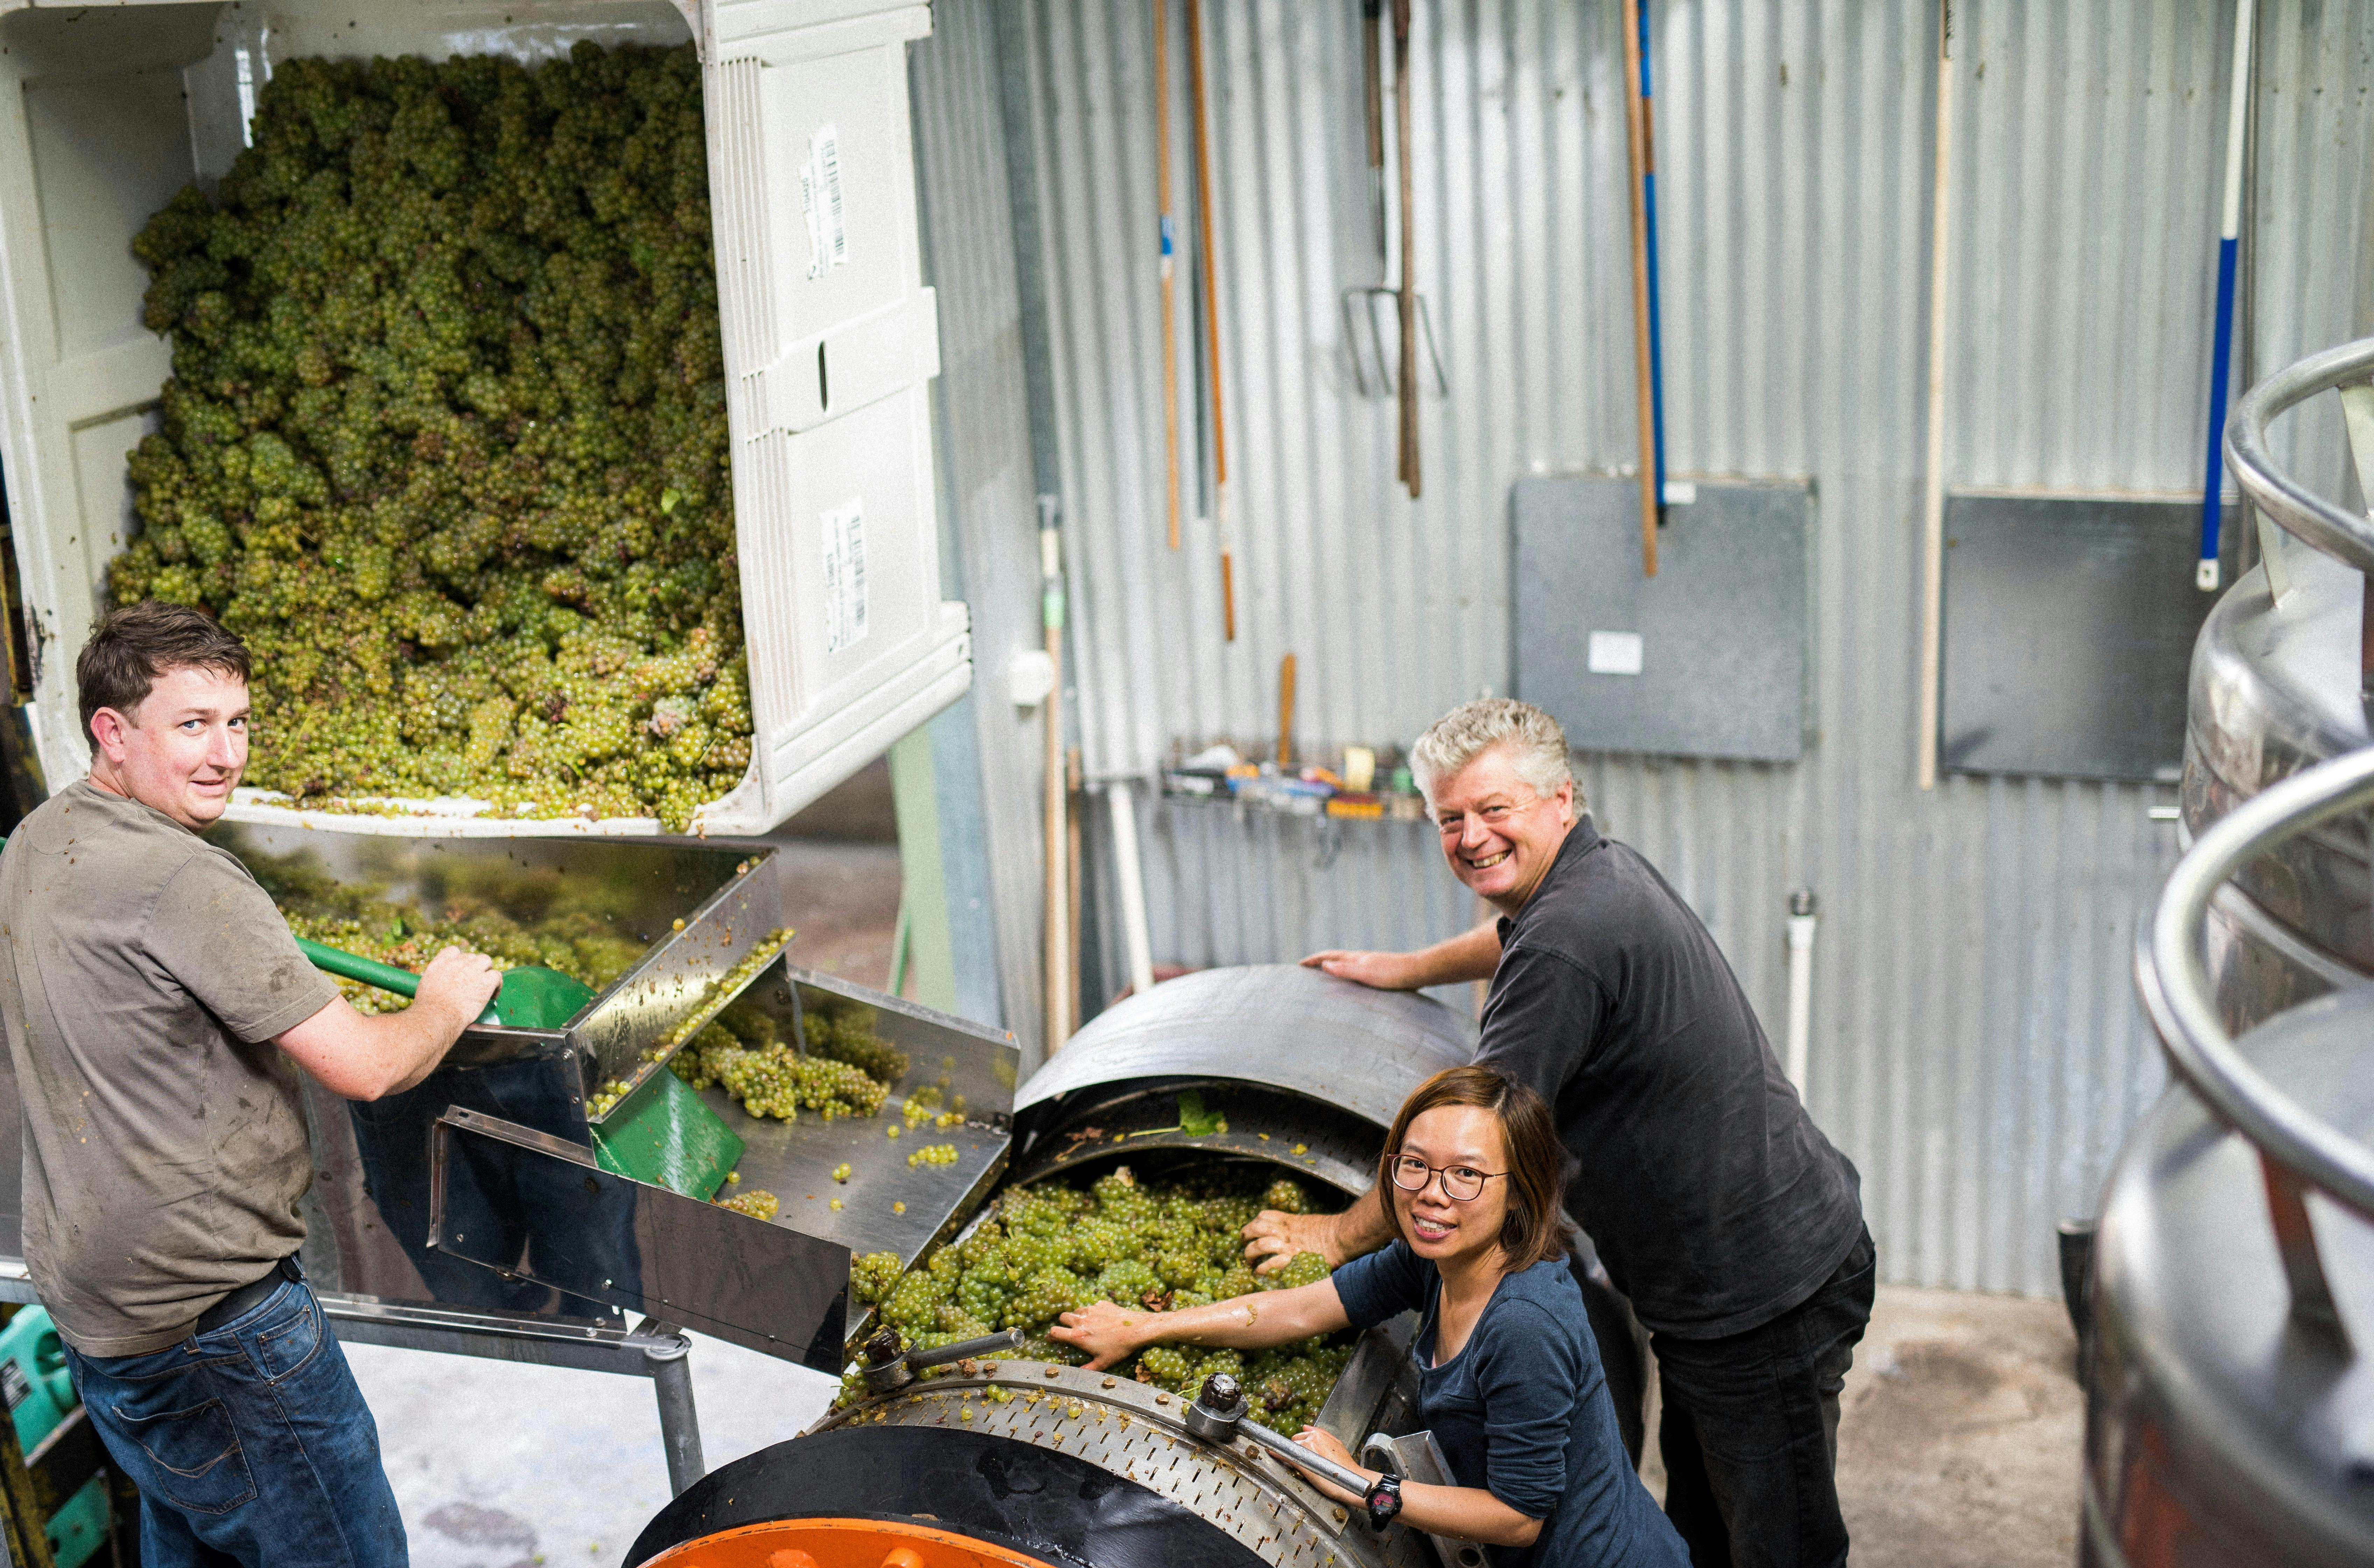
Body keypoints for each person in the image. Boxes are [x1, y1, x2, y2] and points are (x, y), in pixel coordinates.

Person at [1246, 698, 1873, 1568]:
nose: (1472, 837)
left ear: (1560, 801)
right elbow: (1514, 937)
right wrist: (1407, 968)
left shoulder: (1567, 943)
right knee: (1706, 1527)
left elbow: (1472, 1141)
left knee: (1780, 1547)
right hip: (1723, 1279)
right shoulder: (1590, 877)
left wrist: (1336, 1234)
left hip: (1761, 1294)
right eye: (1451, 818)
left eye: (1495, 811)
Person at [0, 603, 502, 1567]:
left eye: (237, 723)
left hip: (106, 1322)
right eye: (192, 725)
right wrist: (443, 1000)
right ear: (112, 731)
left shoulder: (37, 839)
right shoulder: (194, 885)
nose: (225, 753)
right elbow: (366, 1067)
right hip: (221, 1334)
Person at [1054, 1066, 1688, 1568]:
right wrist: (1145, 1326)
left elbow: (1519, 1515)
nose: (1432, 1193)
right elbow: (1303, 1307)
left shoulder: (1524, 1323)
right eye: (1414, 1164)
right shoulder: (1433, 1260)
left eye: (1466, 1173)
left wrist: (1361, 1484)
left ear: (1519, 1189)